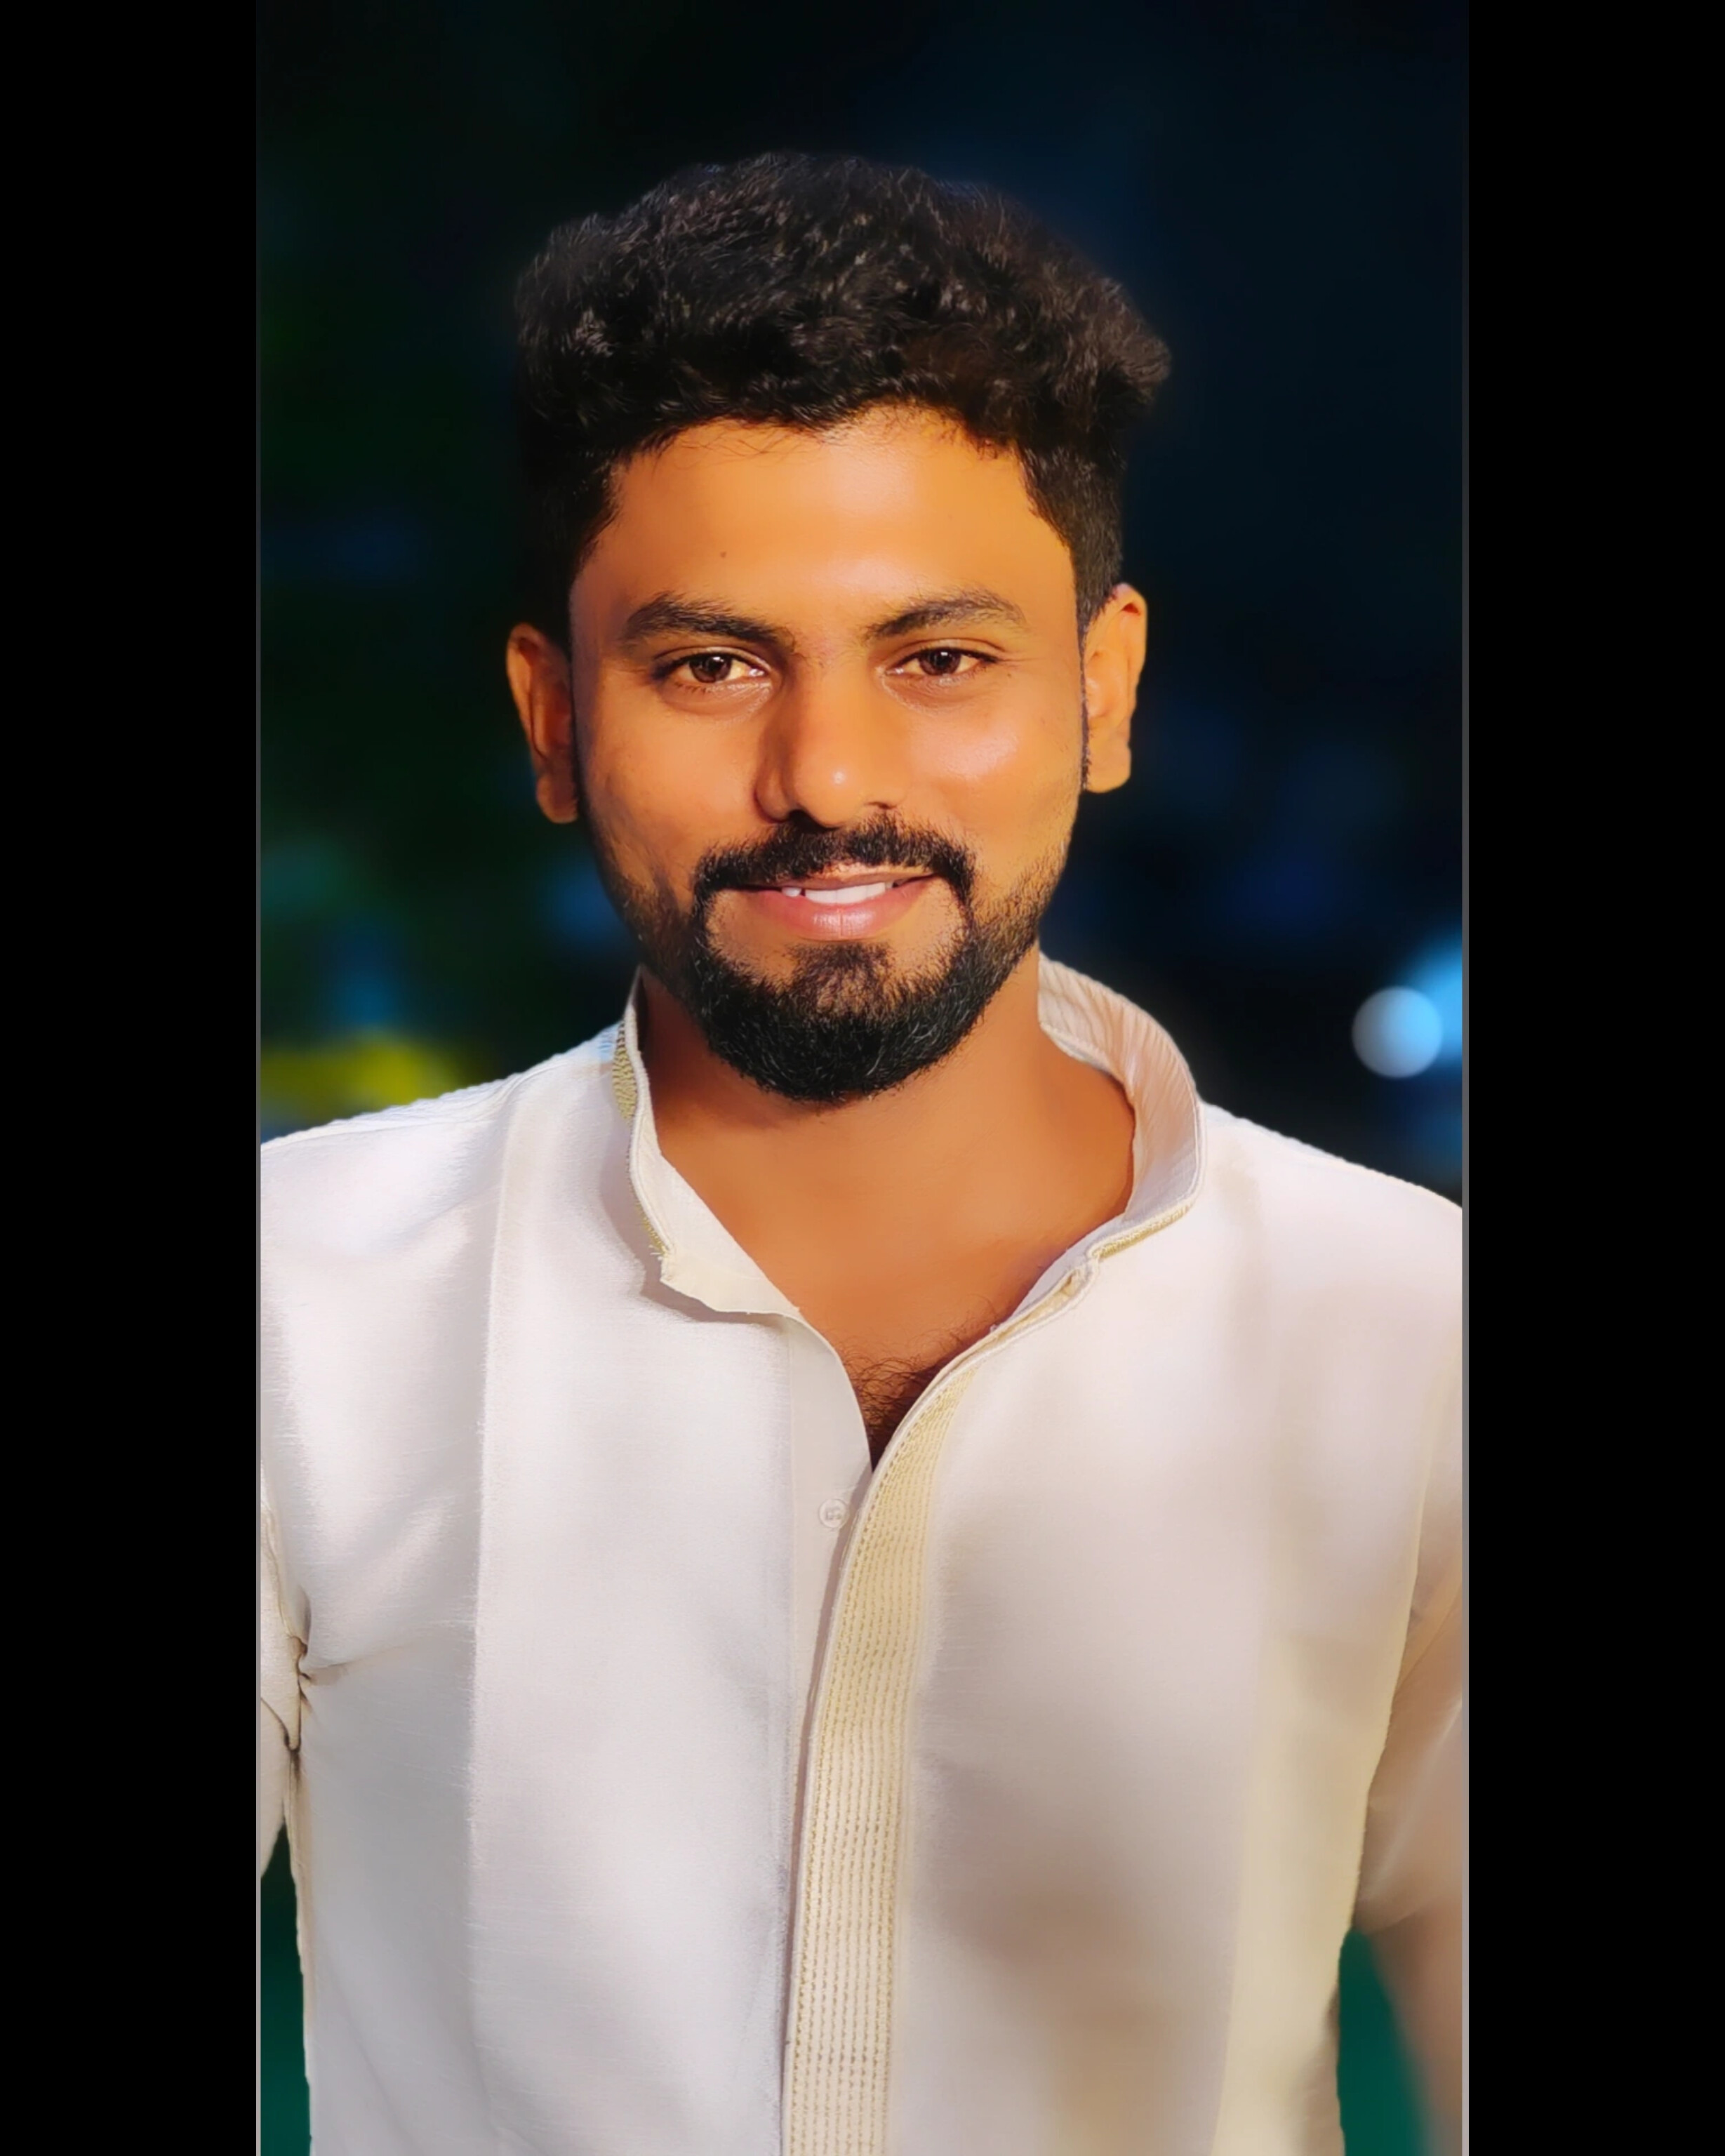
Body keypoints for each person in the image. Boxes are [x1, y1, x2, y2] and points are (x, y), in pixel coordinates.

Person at [260, 153, 1463, 2156]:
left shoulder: (1411, 1336)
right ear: (553, 720)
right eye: (709, 665)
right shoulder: (300, 1306)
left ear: (1103, 692)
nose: (826, 777)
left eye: (941, 660)